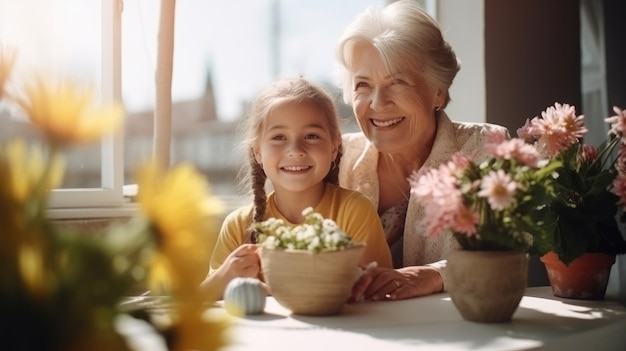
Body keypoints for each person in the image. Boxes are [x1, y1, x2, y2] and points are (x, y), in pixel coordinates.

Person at [335, 0, 509, 302]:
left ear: (438, 90)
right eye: (363, 85)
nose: (378, 103)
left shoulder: (486, 148)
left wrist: (432, 275)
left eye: (397, 82)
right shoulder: (336, 158)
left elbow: (504, 255)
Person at [199, 77, 393, 299]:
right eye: (279, 137)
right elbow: (196, 303)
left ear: (334, 147)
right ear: (258, 152)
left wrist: (270, 293)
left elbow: (368, 293)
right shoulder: (238, 226)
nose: (295, 150)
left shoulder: (354, 211)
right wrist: (222, 279)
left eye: (311, 136)